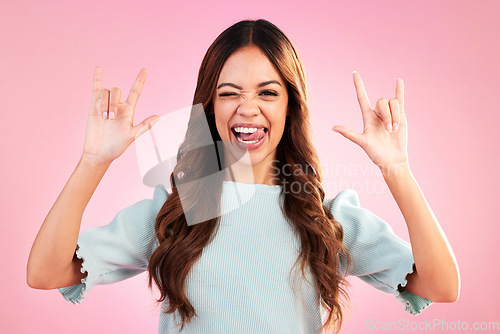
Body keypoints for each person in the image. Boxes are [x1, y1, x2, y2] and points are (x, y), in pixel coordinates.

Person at [27, 19, 460, 334]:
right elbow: (45, 273)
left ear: (291, 106)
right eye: (228, 92)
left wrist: (397, 170)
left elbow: (441, 286)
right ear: (209, 109)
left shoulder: (325, 217)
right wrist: (93, 161)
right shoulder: (173, 213)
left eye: (268, 92)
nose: (247, 108)